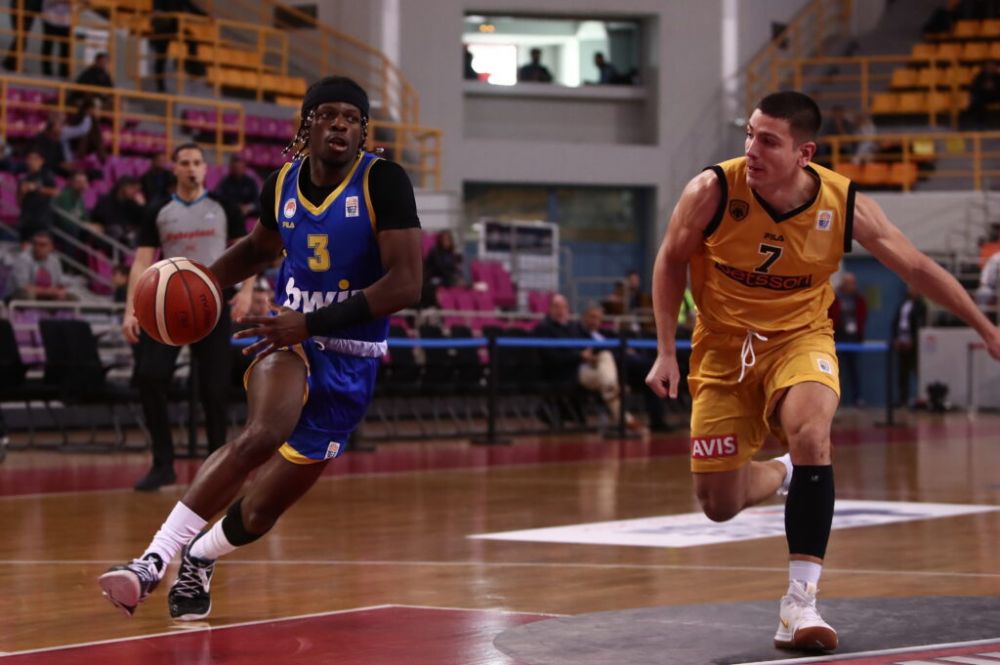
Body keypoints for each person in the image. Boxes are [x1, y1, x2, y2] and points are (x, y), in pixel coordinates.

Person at [644, 91, 1000, 653]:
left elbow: (915, 266)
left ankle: (800, 603)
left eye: (768, 141)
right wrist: (666, 350)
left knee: (813, 433)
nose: (751, 149)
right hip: (723, 350)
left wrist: (985, 327)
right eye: (750, 134)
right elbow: (669, 260)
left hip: (801, 338)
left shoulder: (844, 203)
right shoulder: (712, 190)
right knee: (718, 504)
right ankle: (784, 472)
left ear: (803, 153)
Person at [98, 76, 422, 621]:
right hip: (286, 339)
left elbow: (407, 284)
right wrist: (200, 283)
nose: (339, 124)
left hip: (351, 354)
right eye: (327, 113)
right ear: (307, 124)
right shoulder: (282, 183)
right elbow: (257, 249)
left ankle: (200, 556)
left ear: (362, 131)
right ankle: (151, 561)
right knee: (264, 432)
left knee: (262, 511)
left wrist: (311, 322)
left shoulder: (384, 181)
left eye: (351, 117)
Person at [122, 143, 251, 492]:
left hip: (213, 304)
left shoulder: (223, 206)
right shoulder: (158, 209)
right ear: (175, 168)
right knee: (150, 376)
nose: (191, 168)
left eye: (197, 162)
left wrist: (247, 291)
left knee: (215, 389)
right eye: (185, 163)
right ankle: (163, 464)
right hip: (168, 306)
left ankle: (217, 467)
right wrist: (131, 309)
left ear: (205, 169)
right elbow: (142, 261)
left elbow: (249, 251)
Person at [828, 272, 867, 405]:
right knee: (838, 370)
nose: (851, 286)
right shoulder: (835, 297)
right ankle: (836, 399)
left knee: (854, 369)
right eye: (848, 283)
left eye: (852, 283)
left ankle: (857, 398)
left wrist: (860, 334)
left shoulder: (859, 299)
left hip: (853, 338)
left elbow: (862, 317)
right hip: (838, 338)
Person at [8, 229, 73, 300]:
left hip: (47, 294)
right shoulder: (23, 259)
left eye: (42, 245)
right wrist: (50, 291)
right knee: (28, 295)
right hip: (19, 295)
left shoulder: (54, 260)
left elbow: (59, 282)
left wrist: (62, 289)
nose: (38, 248)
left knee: (72, 296)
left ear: (51, 247)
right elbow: (23, 287)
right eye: (35, 244)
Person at [890, 286, 927, 407]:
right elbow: (896, 322)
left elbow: (921, 324)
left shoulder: (921, 306)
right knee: (902, 372)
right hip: (901, 339)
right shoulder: (903, 304)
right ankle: (903, 399)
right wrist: (896, 338)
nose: (910, 290)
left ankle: (920, 397)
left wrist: (913, 340)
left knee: (916, 370)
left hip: (914, 343)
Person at [16, 149, 58, 241]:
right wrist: (22, 192)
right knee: (25, 246)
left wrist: (36, 188)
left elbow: (55, 192)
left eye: (35, 158)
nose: (31, 161)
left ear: (41, 161)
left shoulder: (46, 174)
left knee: (41, 243)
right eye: (29, 158)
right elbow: (19, 202)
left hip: (42, 219)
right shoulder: (23, 178)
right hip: (26, 219)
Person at [213, 154, 259, 219]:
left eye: (240, 166)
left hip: (249, 212)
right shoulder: (225, 182)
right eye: (235, 167)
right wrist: (236, 207)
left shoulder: (250, 182)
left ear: (244, 167)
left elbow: (257, 200)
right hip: (231, 213)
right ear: (231, 167)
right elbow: (218, 197)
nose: (237, 169)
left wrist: (248, 207)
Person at [2, 0, 42, 72]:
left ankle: (13, 63)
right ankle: (11, 63)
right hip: (22, 11)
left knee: (21, 39)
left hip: (28, 12)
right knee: (21, 39)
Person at [40, 0, 70, 78]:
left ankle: (64, 73)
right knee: (48, 46)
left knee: (65, 49)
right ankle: (46, 72)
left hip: (66, 21)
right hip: (50, 19)